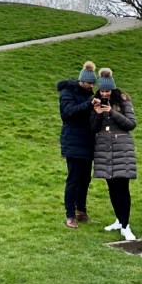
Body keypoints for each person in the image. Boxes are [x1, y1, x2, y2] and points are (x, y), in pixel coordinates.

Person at [90, 67, 137, 241]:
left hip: (121, 149)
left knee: (122, 187)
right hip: (104, 148)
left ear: (113, 89)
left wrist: (111, 112)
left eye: (107, 91)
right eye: (102, 91)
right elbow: (93, 128)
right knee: (111, 186)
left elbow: (131, 124)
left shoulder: (124, 101)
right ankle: (119, 220)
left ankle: (126, 226)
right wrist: (97, 114)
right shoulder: (95, 102)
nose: (105, 94)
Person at [57, 60, 97, 229]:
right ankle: (70, 215)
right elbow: (68, 113)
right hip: (73, 141)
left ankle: (81, 211)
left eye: (93, 83)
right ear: (82, 81)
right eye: (89, 83)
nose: (91, 86)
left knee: (85, 179)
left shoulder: (89, 94)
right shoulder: (67, 92)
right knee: (73, 179)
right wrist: (89, 103)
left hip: (87, 141)